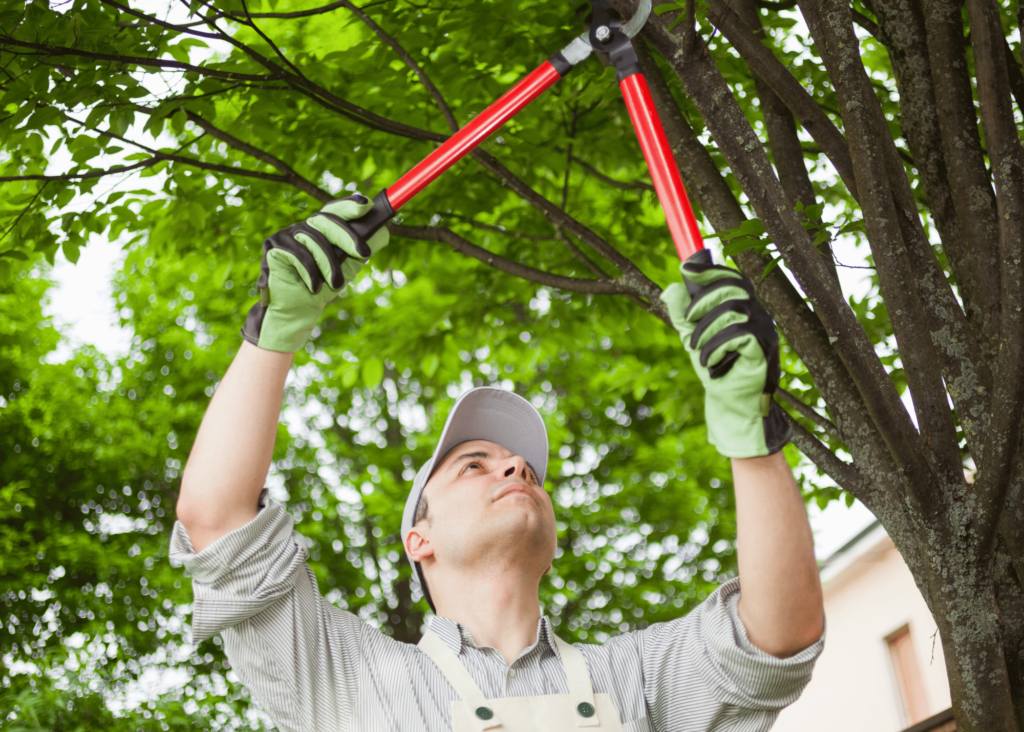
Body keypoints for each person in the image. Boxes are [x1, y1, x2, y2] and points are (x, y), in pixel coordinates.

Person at [171, 196, 825, 732]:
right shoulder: (351, 680)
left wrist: (752, 433)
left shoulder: (637, 678)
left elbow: (779, 637)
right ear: (416, 539)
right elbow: (217, 520)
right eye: (475, 466)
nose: (515, 470)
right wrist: (275, 330)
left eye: (527, 472)